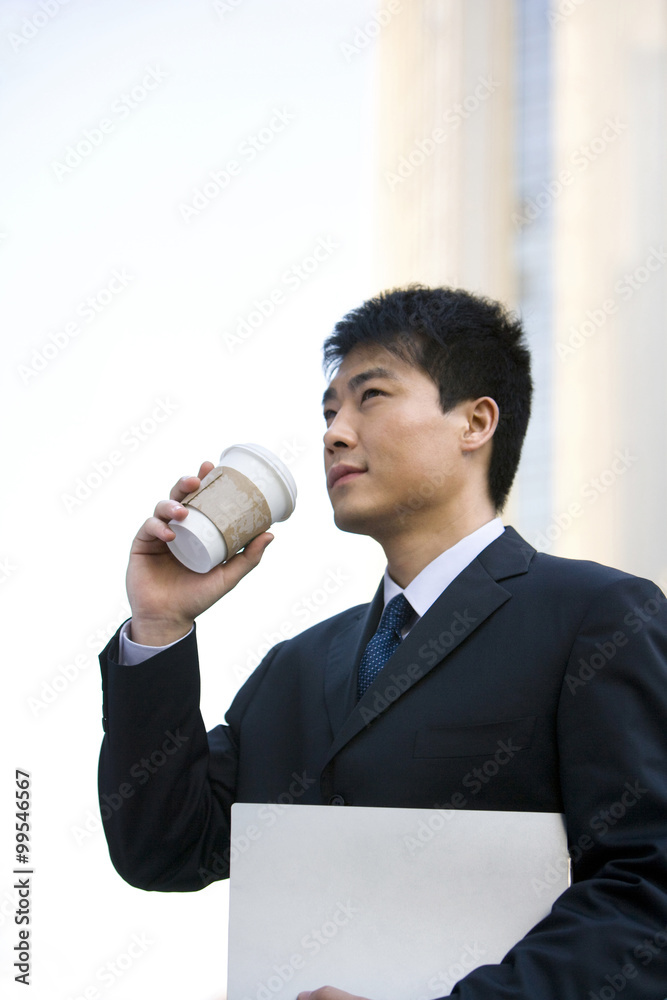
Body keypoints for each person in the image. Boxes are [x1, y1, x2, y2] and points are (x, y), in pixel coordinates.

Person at [98, 285, 667, 1000]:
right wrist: (159, 624)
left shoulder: (596, 617)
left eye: (371, 397)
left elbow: (648, 889)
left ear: (474, 421)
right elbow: (164, 849)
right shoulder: (296, 667)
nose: (335, 431)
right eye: (329, 410)